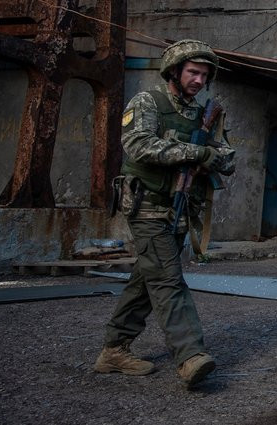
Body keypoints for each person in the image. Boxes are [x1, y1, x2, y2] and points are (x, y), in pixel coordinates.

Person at [94, 39, 235, 389]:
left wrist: (214, 157)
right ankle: (190, 356)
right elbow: (139, 145)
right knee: (168, 279)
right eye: (192, 72)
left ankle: (114, 348)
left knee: (147, 277)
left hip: (179, 209)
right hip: (146, 206)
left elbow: (227, 154)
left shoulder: (203, 114)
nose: (199, 80)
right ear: (174, 71)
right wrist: (196, 153)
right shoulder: (148, 102)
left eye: (204, 75)